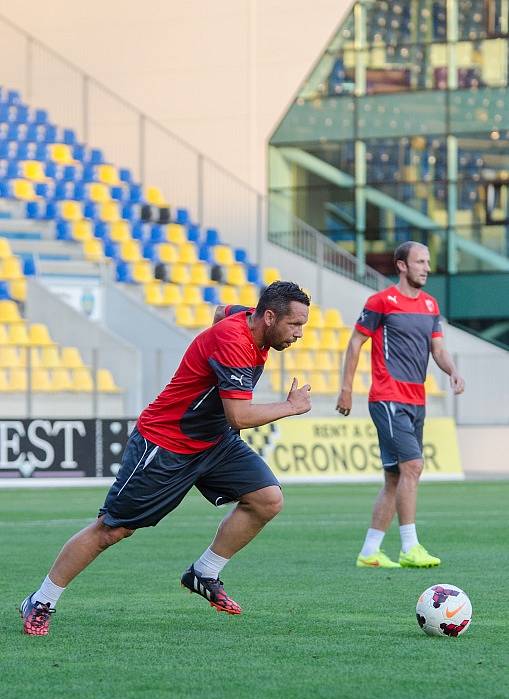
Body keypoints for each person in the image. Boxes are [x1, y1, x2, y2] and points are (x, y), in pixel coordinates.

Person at [20, 281, 312, 635]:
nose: (299, 334)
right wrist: (290, 406)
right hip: (166, 443)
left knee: (267, 499)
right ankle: (41, 600)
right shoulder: (235, 342)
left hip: (213, 441)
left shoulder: (247, 320)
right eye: (294, 325)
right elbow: (240, 417)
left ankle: (204, 573)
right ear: (269, 317)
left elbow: (223, 311)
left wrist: (212, 336)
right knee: (112, 529)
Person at [336, 241, 465, 569]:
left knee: (395, 477)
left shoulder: (430, 305)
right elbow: (355, 343)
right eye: (420, 261)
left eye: (428, 262)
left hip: (415, 400)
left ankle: (370, 552)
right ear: (402, 265)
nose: (427, 267)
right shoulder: (381, 302)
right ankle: (410, 546)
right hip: (387, 397)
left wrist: (452, 371)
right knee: (413, 467)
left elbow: (438, 350)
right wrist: (346, 389)